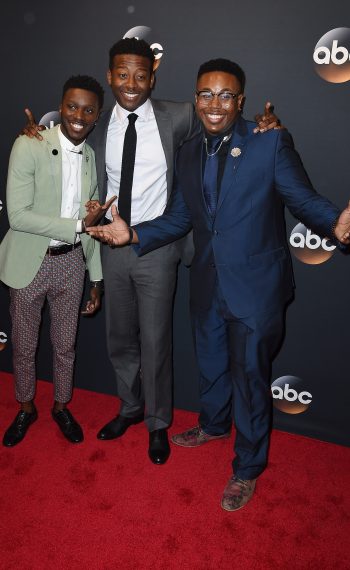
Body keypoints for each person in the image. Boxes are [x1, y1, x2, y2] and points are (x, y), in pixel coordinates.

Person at [87, 58, 350, 510]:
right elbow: (182, 217)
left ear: (240, 101)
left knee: (250, 379)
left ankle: (247, 468)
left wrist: (335, 225)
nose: (215, 104)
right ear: (196, 98)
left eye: (225, 95)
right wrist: (135, 234)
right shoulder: (189, 150)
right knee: (211, 365)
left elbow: (303, 199)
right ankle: (212, 424)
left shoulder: (270, 142)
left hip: (255, 289)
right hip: (207, 281)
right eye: (206, 94)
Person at [22, 38, 281, 465]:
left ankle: (158, 423)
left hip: (157, 244)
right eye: (122, 75)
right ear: (110, 77)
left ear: (152, 77)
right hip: (110, 243)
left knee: (157, 341)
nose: (131, 83)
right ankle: (130, 407)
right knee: (120, 339)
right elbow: (64, 140)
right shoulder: (97, 122)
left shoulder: (179, 115)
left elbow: (224, 126)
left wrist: (263, 124)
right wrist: (33, 134)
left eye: (141, 75)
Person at [0, 75, 111, 447]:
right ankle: (26, 406)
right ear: (61, 106)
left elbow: (93, 224)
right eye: (72, 106)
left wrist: (96, 278)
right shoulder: (29, 143)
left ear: (97, 116)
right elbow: (18, 216)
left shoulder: (91, 157)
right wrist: (77, 224)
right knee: (24, 343)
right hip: (30, 260)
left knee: (65, 345)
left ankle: (61, 406)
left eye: (88, 109)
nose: (79, 115)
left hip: (70, 263)